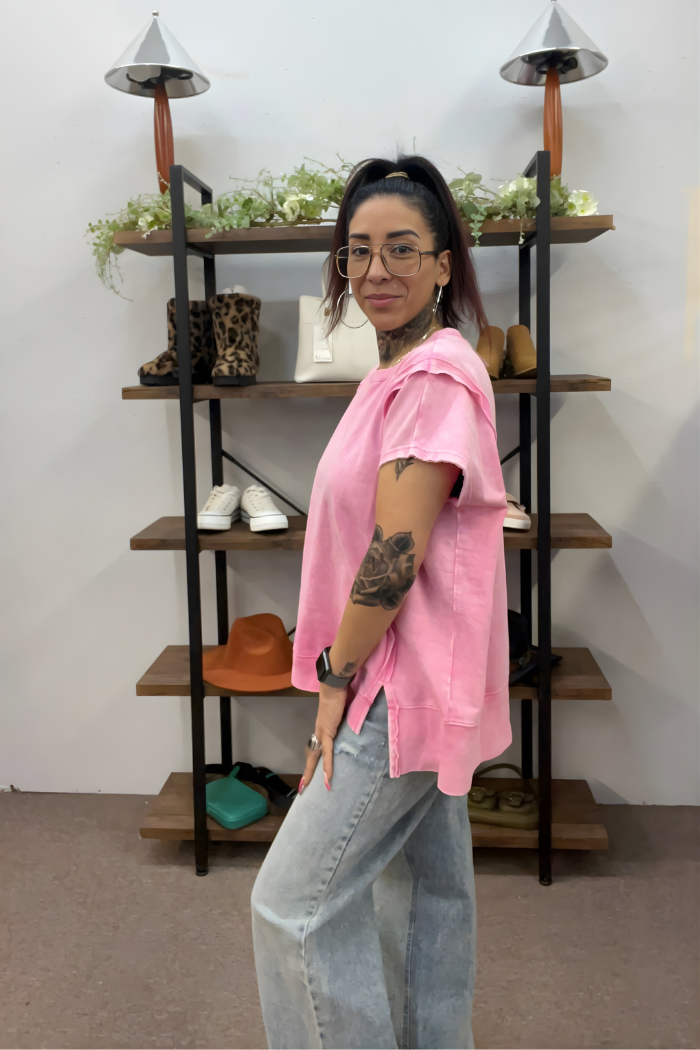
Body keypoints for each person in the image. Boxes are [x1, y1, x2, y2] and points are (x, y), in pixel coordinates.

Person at [251, 155, 511, 1050]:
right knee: (424, 895)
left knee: (292, 909)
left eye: (402, 248)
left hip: (392, 688)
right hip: (420, 678)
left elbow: (393, 556)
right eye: (357, 251)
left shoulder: (432, 379)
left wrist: (336, 678)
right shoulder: (404, 372)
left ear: (444, 264)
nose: (376, 270)